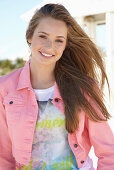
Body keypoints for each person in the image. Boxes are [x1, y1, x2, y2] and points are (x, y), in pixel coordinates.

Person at [0, 3, 114, 170]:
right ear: (29, 35)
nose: (49, 47)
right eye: (43, 36)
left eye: (59, 40)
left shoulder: (83, 87)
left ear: (66, 44)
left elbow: (108, 151)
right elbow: (4, 155)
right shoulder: (5, 88)